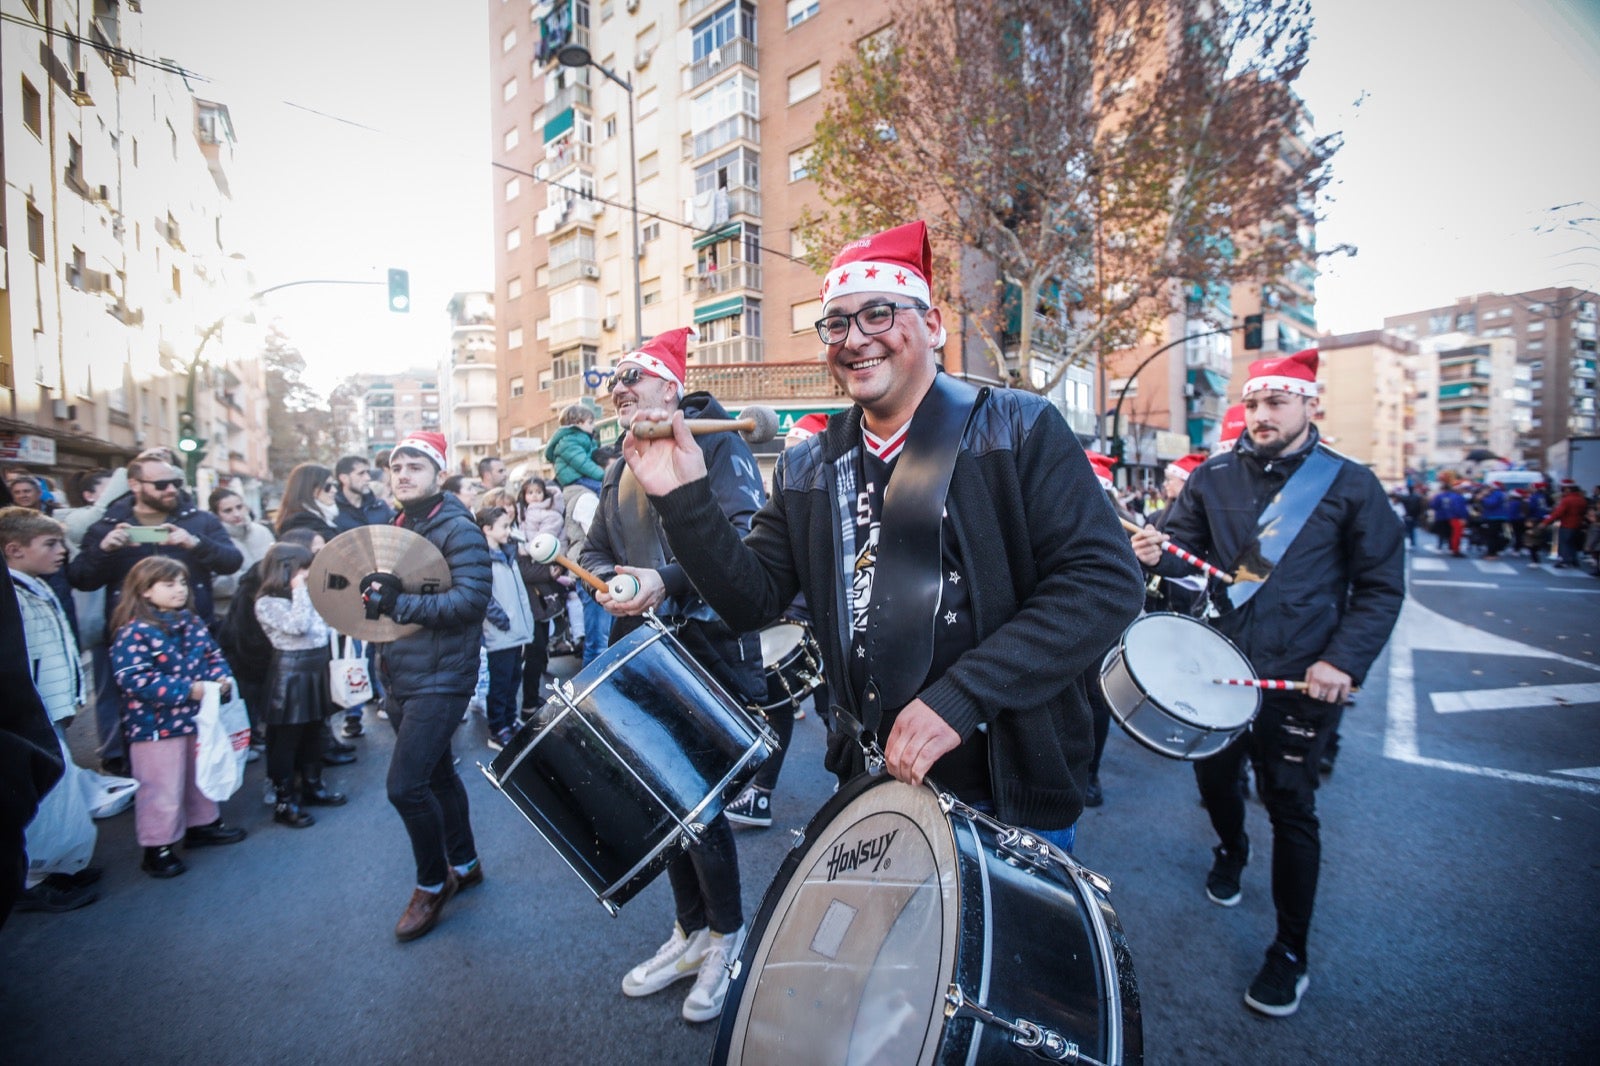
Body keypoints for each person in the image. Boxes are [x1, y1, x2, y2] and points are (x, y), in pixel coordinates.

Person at [621, 225, 1143, 1005]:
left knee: (1008, 998)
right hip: (876, 778)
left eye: (879, 314)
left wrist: (963, 695)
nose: (856, 338)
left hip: (1011, 783)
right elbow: (752, 599)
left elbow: (1104, 581)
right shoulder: (808, 462)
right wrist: (683, 498)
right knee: (893, 995)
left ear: (930, 325)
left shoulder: (1019, 427)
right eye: (838, 323)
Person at [1131, 347, 1404, 1018]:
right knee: (1215, 781)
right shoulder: (1215, 475)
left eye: (1275, 402)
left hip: (1301, 679)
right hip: (1216, 664)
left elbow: (1379, 586)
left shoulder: (1350, 483)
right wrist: (1152, 546)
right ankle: (1230, 849)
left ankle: (1289, 951)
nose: (1260, 414)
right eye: (1252, 403)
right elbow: (1180, 548)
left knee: (1291, 804)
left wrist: (1343, 661)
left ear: (1311, 406)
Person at [581, 326, 769, 1023]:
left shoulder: (717, 441)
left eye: (636, 377)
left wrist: (663, 580)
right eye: (613, 383)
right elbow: (597, 549)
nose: (621, 390)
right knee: (665, 803)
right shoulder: (614, 466)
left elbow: (746, 541)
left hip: (712, 648)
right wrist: (607, 582)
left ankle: (727, 934)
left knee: (698, 802)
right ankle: (690, 932)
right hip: (642, 650)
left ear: (670, 386)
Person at [360, 430, 490, 942]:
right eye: (397, 468)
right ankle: (467, 861)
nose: (403, 475)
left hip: (442, 678)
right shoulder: (398, 525)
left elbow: (470, 602)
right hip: (402, 674)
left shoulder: (458, 528)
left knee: (405, 786)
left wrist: (398, 605)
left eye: (415, 466)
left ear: (438, 473)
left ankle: (434, 884)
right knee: (436, 778)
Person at [70, 456, 243, 775]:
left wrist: (193, 543)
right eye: (161, 484)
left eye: (175, 483)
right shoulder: (107, 525)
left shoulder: (198, 521)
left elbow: (232, 560)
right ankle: (137, 779)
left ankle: (201, 796)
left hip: (192, 631)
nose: (170, 490)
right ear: (134, 485)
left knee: (199, 720)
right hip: (133, 636)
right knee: (138, 714)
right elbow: (81, 577)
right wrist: (104, 549)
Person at [725, 413, 833, 829]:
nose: (790, 454)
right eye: (788, 447)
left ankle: (864, 793)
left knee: (835, 711)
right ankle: (761, 796)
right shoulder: (787, 488)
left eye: (797, 445)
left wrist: (797, 610)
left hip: (824, 623)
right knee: (778, 706)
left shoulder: (830, 493)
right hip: (795, 620)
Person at [109, 557, 247, 878]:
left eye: (182, 583)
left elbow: (213, 655)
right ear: (144, 591)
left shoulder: (191, 621)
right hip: (155, 728)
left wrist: (222, 679)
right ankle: (157, 846)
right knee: (162, 787)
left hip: (197, 720)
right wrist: (189, 690)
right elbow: (135, 679)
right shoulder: (133, 632)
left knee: (198, 775)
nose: (179, 590)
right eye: (169, 584)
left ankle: (202, 825)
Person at [3, 507, 106, 912]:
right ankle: (32, 880)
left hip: (51, 708)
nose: (61, 551)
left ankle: (58, 865)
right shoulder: (12, 595)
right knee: (38, 797)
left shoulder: (35, 584)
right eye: (50, 544)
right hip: (31, 714)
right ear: (14, 549)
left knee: (58, 791)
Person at [254, 543, 348, 828]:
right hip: (290, 674)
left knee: (313, 733)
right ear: (287, 568)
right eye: (304, 566)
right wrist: (299, 590)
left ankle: (312, 786)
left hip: (315, 668)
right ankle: (285, 801)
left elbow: (324, 628)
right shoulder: (267, 601)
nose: (309, 572)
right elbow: (298, 627)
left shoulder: (308, 595)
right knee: (286, 740)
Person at [330, 455, 394, 738]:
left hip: (381, 586)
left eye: (368, 472)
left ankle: (385, 699)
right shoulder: (333, 511)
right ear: (344, 478)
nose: (367, 477)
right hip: (347, 590)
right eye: (360, 473)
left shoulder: (380, 508)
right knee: (352, 653)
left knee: (382, 649)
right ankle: (353, 713)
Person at [476, 506, 534, 750]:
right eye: (504, 526)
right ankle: (497, 728)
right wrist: (502, 620)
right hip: (501, 632)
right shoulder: (482, 558)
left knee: (512, 679)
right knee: (500, 683)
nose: (509, 531)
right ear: (487, 529)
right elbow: (484, 597)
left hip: (516, 630)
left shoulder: (507, 552)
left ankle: (510, 720)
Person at [513, 477, 569, 713]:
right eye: (529, 493)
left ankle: (530, 699)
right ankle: (528, 704)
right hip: (527, 601)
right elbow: (525, 570)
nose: (534, 497)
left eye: (538, 492)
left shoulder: (548, 515)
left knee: (539, 648)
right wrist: (549, 572)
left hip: (540, 599)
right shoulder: (515, 528)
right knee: (532, 652)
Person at [275, 464, 341, 542]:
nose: (334, 490)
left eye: (334, 485)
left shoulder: (317, 518)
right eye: (328, 486)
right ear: (310, 488)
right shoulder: (302, 521)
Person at [1544, 481, 1587, 569]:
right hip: (1577, 524)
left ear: (1568, 489)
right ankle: (1573, 559)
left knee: (1564, 543)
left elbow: (1558, 512)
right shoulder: (1581, 499)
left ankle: (1564, 560)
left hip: (1567, 524)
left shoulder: (1567, 500)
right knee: (1572, 543)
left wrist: (1546, 522)